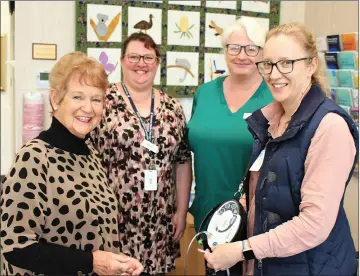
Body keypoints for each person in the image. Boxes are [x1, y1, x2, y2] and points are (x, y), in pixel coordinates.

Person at [204, 22, 358, 275]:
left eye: (287, 63)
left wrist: (241, 250)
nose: (275, 74)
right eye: (268, 64)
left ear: (311, 65)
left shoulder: (330, 127)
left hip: (313, 267)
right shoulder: (272, 120)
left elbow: (314, 225)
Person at [0, 52, 144, 275]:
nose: (88, 108)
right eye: (77, 97)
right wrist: (93, 262)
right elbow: (16, 247)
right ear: (55, 98)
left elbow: (95, 235)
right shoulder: (35, 158)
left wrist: (117, 262)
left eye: (96, 99)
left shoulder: (92, 157)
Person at [90, 33, 192, 275]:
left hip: (159, 221)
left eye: (148, 57)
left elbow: (183, 160)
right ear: (123, 61)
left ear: (157, 62)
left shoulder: (172, 107)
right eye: (134, 56)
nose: (141, 63)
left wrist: (181, 210)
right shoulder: (103, 102)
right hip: (113, 217)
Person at [187, 17, 273, 274]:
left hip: (255, 218)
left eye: (251, 48)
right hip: (208, 213)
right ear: (225, 51)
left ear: (262, 52)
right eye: (234, 47)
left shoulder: (274, 96)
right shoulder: (205, 93)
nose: (242, 55)